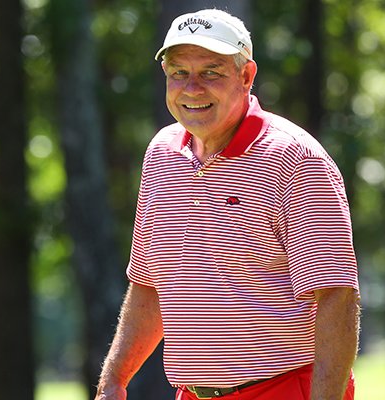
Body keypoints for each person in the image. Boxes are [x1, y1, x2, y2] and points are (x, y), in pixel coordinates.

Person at [95, 8, 360, 400]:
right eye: (178, 73)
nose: (192, 88)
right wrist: (114, 379)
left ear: (246, 76)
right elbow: (149, 284)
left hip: (284, 389)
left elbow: (337, 295)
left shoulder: (296, 159)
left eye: (211, 73)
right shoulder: (161, 153)